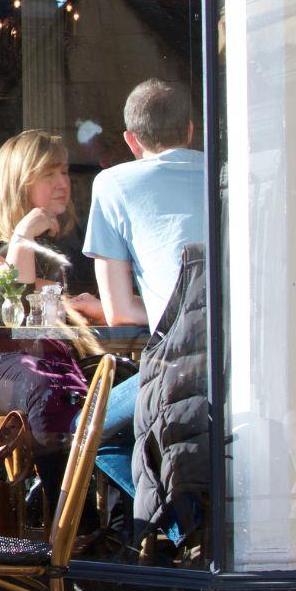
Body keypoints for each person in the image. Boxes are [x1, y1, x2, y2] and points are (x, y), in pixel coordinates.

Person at [86, 80, 208, 499]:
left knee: (87, 433)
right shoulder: (228, 173)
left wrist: (161, 307)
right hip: (252, 367)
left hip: (177, 368)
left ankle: (181, 530)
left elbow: (118, 311)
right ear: (191, 130)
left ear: (131, 140)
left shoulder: (112, 185)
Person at [0, 130, 102, 317]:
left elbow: (89, 293)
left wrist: (44, 286)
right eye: (48, 174)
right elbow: (13, 313)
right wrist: (23, 234)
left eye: (64, 172)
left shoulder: (73, 237)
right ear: (18, 183)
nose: (63, 184)